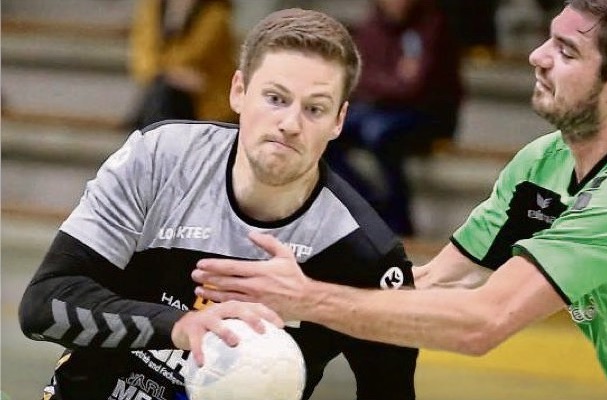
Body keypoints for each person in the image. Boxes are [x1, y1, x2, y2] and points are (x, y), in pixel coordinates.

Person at [191, 1, 607, 399]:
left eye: (566, 52)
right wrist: (284, 304)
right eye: (549, 37)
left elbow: (481, 322)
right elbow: (437, 283)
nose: (538, 55)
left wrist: (310, 297)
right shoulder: (545, 162)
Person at [18, 8, 418, 400]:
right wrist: (181, 326)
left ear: (339, 120)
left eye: (314, 108)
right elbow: (43, 304)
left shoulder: (364, 254)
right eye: (276, 98)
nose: (291, 124)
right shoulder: (158, 159)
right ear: (238, 91)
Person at [324, 0, 464, 236]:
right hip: (378, 110)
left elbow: (415, 87)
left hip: (428, 114)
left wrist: (382, 83)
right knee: (326, 132)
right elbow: (356, 79)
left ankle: (399, 218)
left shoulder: (432, 26)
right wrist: (392, 82)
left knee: (381, 135)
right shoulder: (372, 26)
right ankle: (370, 202)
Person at [127, 0, 238, 130]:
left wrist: (161, 70)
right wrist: (167, 73)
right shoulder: (153, 7)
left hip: (208, 103)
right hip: (172, 95)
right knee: (161, 92)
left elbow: (191, 55)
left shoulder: (217, 13)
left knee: (162, 94)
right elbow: (143, 58)